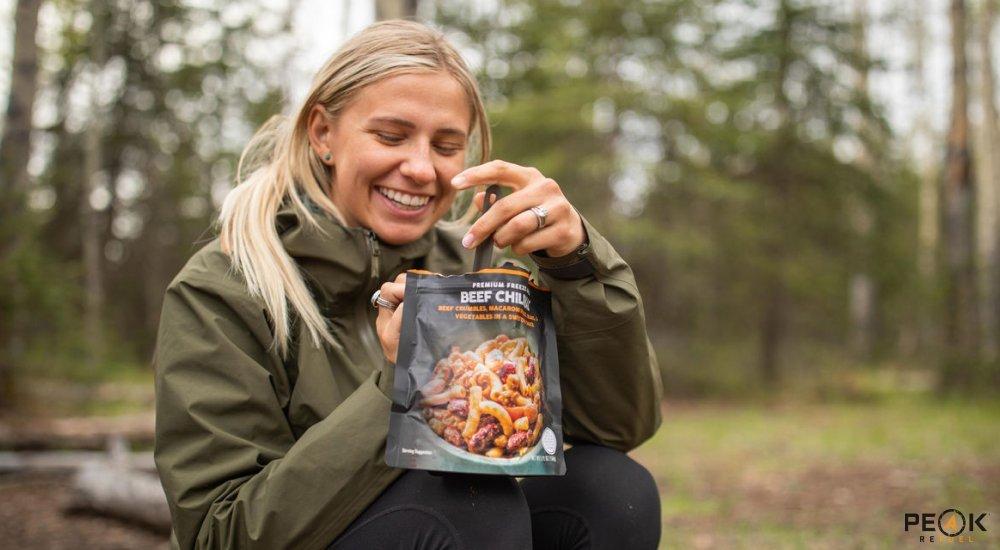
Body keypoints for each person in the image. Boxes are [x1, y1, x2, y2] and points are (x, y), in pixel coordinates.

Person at [153, 20, 663, 550]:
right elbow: (218, 533)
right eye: (391, 136)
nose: (421, 168)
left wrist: (577, 268)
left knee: (612, 490)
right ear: (323, 133)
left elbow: (617, 428)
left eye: (446, 146)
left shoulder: (472, 271)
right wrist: (402, 385)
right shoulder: (225, 290)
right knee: (465, 507)